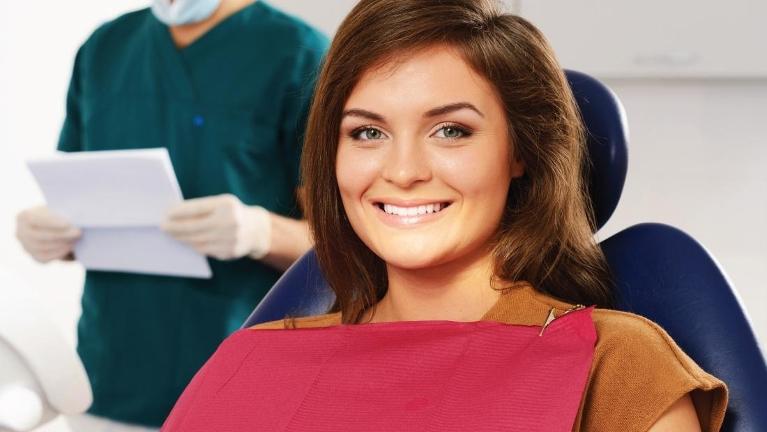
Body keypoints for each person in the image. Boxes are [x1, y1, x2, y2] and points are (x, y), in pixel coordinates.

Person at [161, 0, 728, 431]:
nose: (403, 170)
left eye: (451, 130)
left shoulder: (617, 363)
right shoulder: (252, 361)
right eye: (367, 132)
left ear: (520, 152)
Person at [14, 0, 327, 429]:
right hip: (109, 377)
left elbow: (342, 245)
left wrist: (262, 232)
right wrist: (55, 235)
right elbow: (83, 199)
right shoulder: (106, 47)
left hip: (240, 378)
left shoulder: (298, 53)